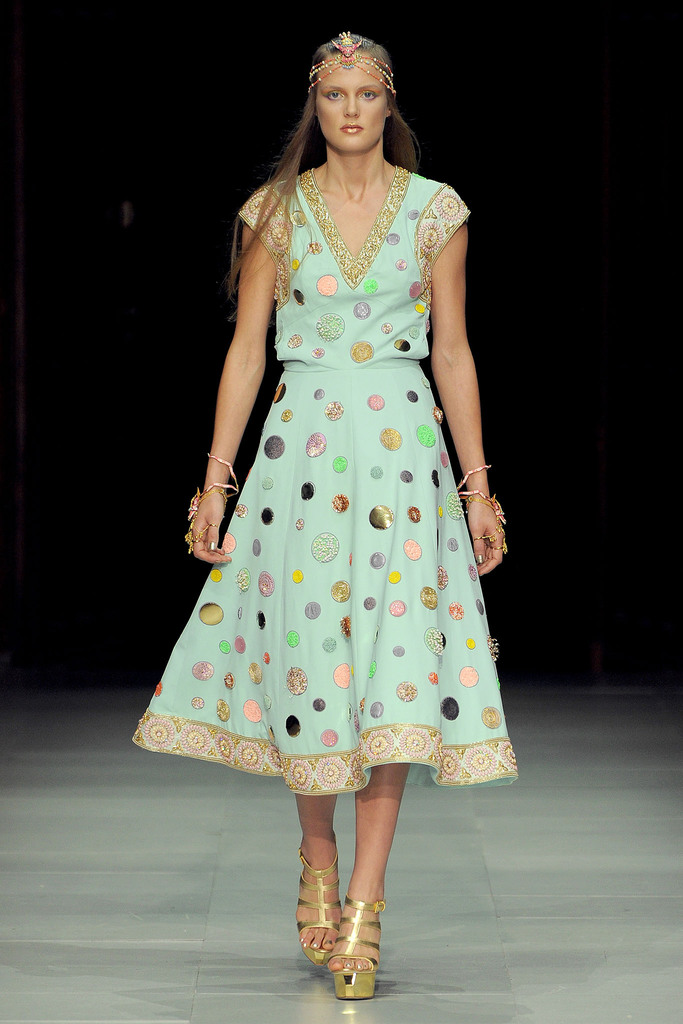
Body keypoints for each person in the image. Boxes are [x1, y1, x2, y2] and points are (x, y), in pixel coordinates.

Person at [133, 31, 517, 1001]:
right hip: (298, 458)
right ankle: (317, 855)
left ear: (390, 104)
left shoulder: (436, 211)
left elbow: (453, 352)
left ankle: (364, 908)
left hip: (402, 463)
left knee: (393, 678)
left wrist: (477, 489)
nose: (350, 110)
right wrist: (214, 481)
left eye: (366, 94)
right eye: (335, 94)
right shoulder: (274, 210)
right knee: (310, 664)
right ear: (316, 104)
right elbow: (246, 350)